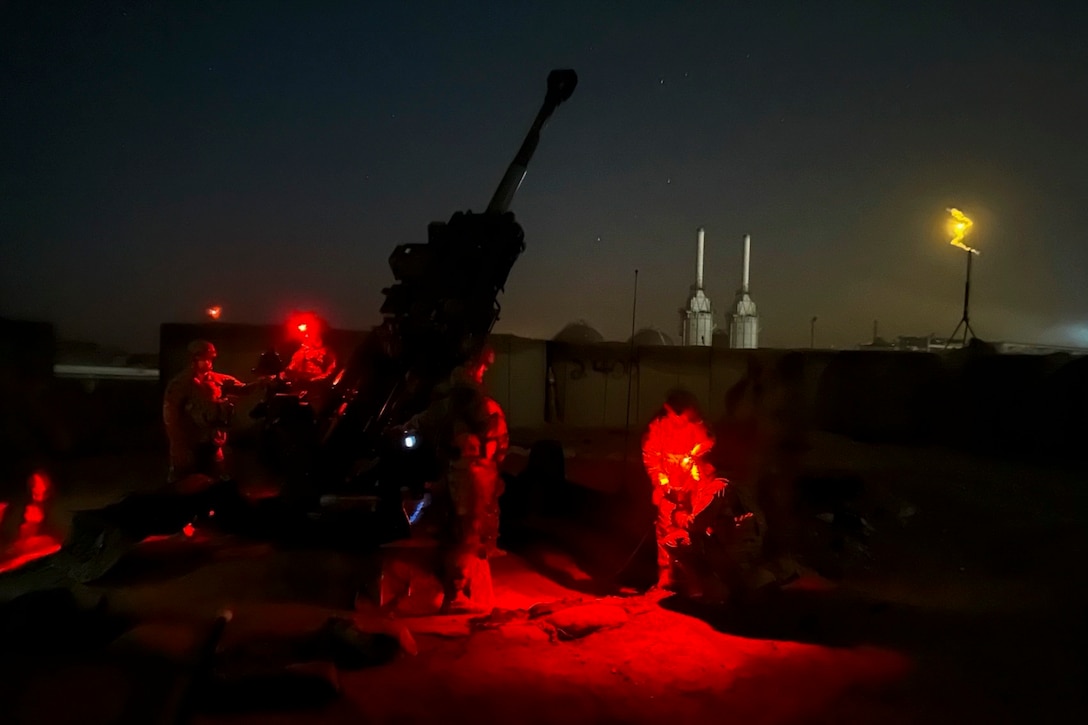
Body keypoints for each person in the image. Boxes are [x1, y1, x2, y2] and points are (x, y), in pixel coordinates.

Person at [162, 340, 247, 487]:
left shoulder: (217, 379)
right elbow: (171, 419)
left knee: (215, 484)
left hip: (213, 442)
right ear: (194, 359)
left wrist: (263, 382)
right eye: (206, 359)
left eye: (211, 359)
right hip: (190, 445)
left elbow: (242, 389)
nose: (210, 362)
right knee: (187, 486)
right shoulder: (180, 384)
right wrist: (179, 447)